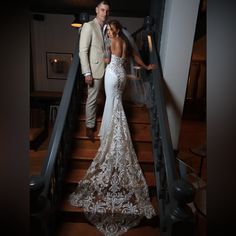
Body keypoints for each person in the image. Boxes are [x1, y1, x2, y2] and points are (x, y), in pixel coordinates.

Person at [69, 19, 157, 235]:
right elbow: (134, 58)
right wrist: (145, 66)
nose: (107, 33)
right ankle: (111, 131)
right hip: (122, 77)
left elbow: (108, 59)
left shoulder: (110, 42)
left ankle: (109, 133)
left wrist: (98, 61)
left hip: (111, 74)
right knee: (116, 103)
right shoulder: (125, 41)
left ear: (113, 29)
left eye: (108, 30)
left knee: (111, 102)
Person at [79, 0, 110, 141]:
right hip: (94, 70)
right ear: (97, 10)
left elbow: (106, 48)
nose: (105, 13)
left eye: (107, 11)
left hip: (108, 69)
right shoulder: (89, 26)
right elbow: (83, 51)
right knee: (92, 99)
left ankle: (107, 123)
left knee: (108, 97)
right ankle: (90, 126)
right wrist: (87, 72)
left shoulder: (108, 28)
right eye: (102, 10)